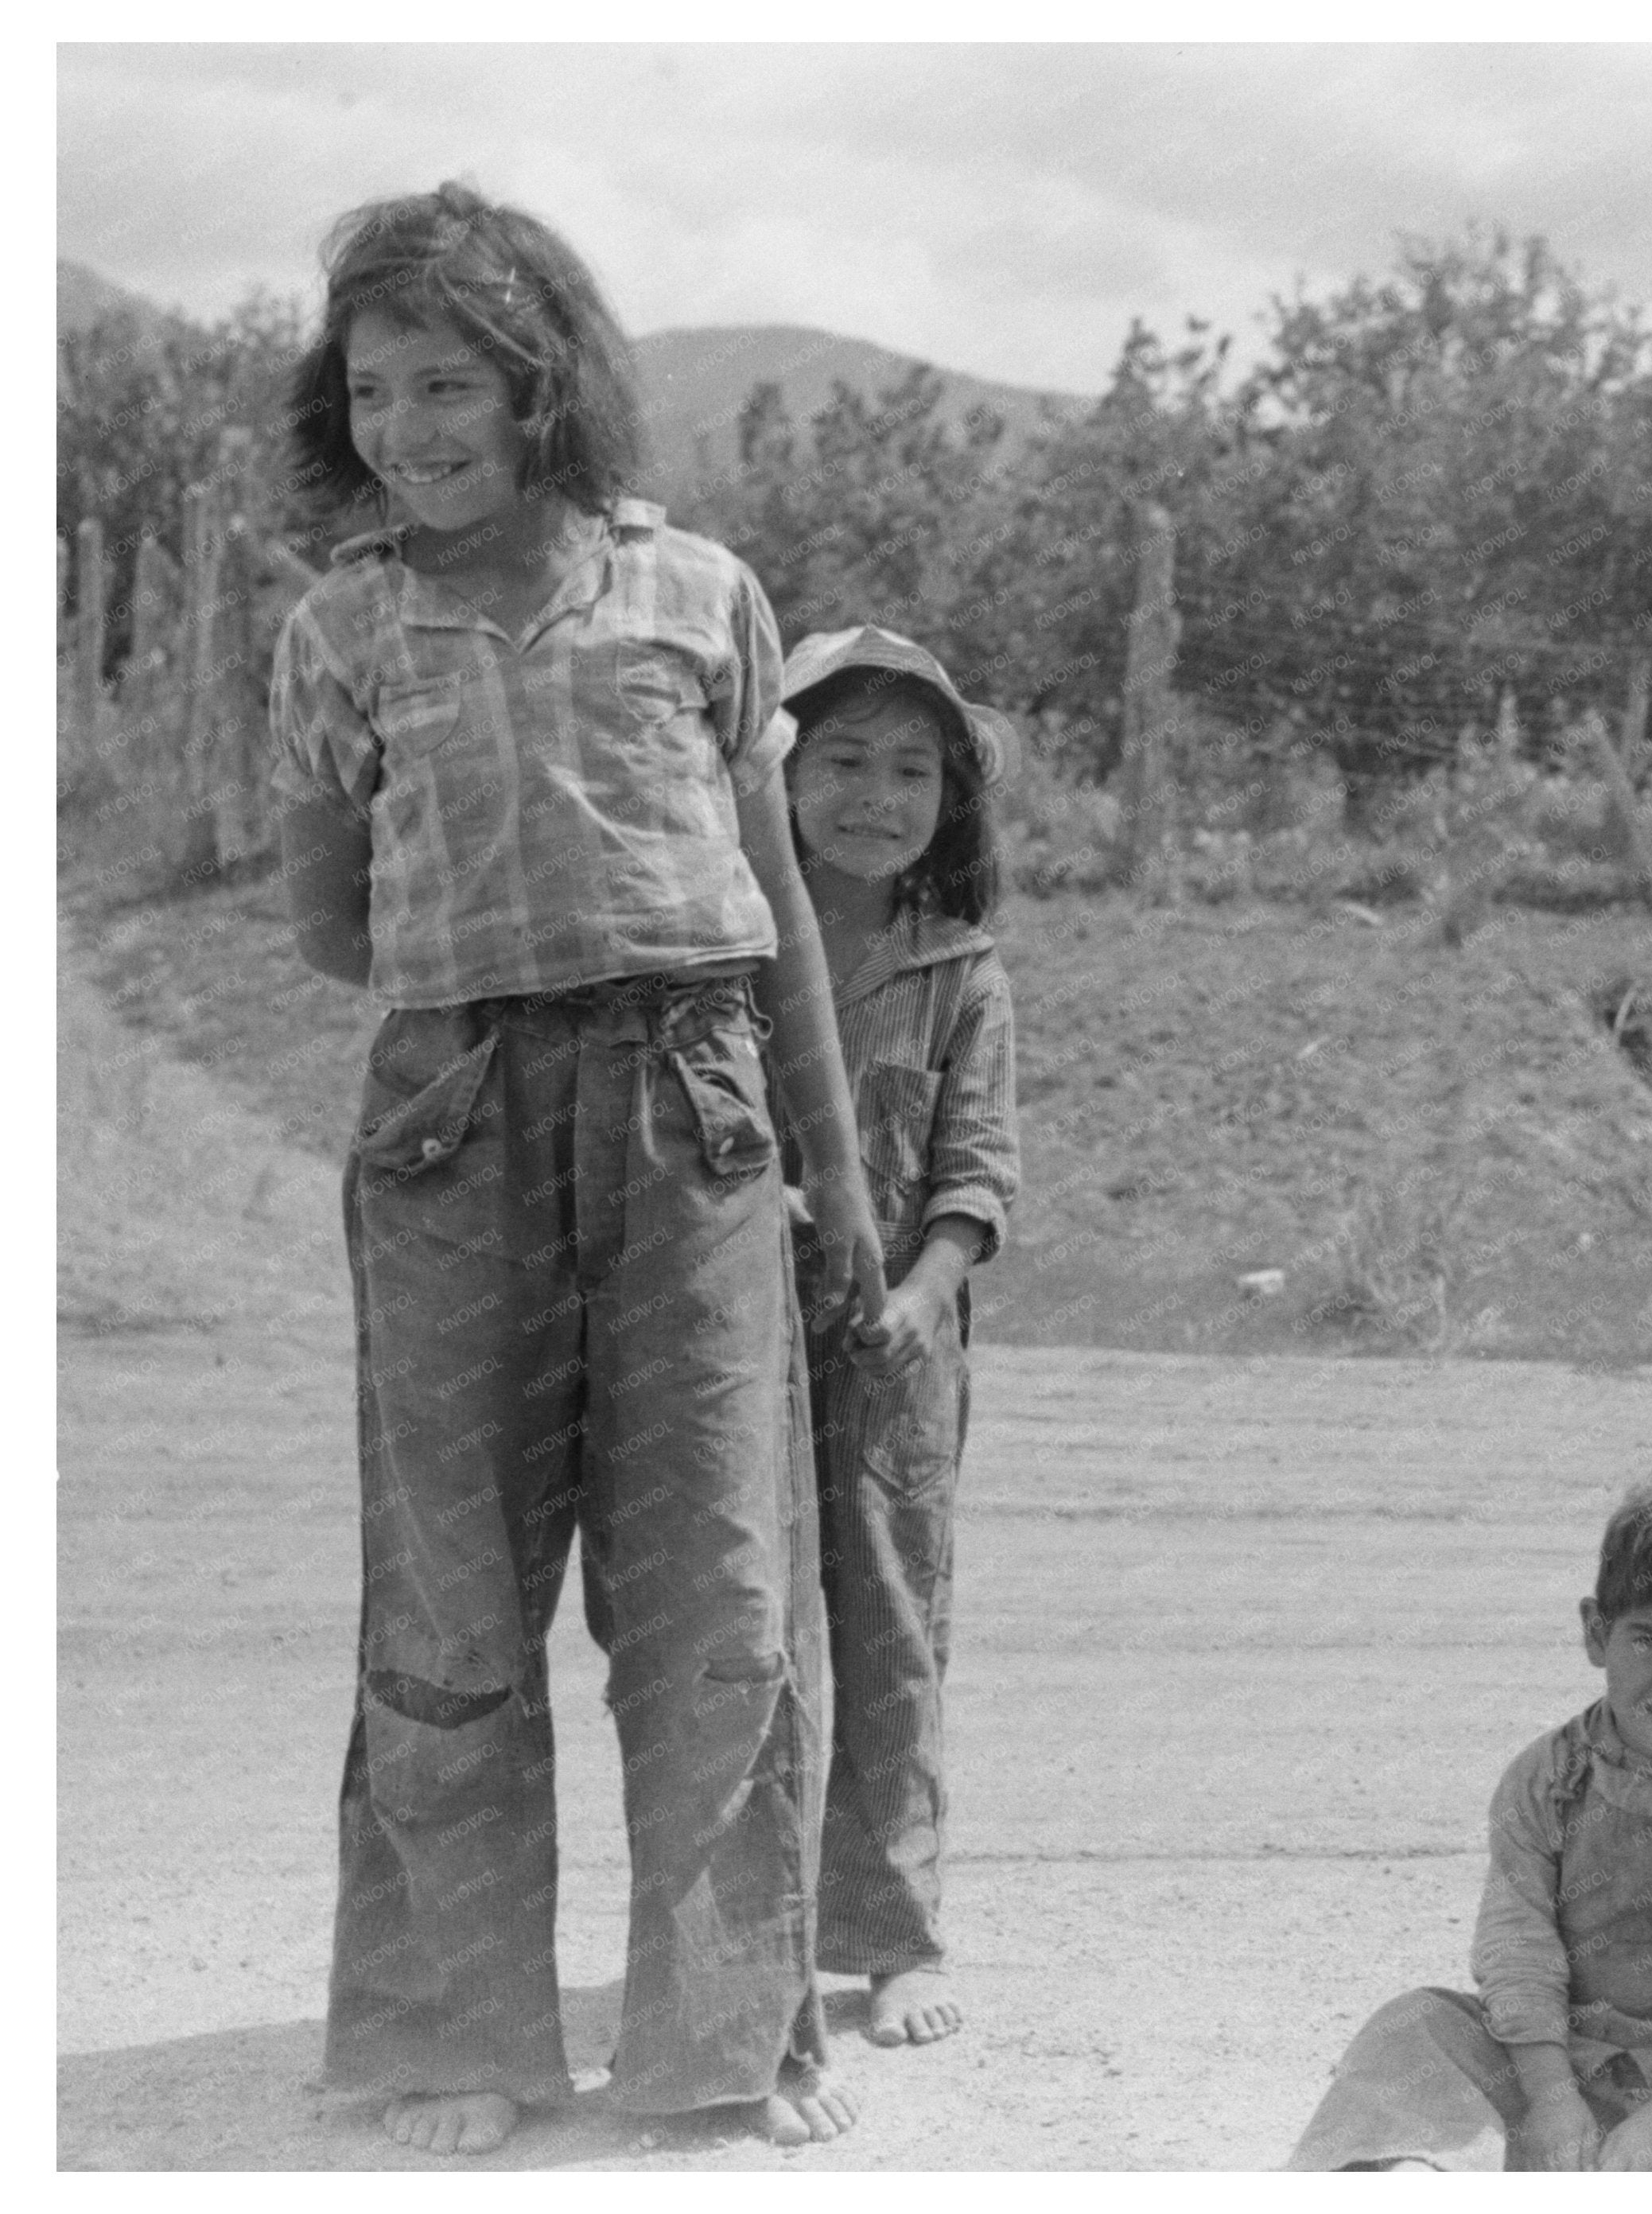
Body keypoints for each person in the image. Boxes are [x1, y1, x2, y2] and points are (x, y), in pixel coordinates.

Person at [269, 181, 883, 2154]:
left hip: (694, 1111)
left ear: (541, 386)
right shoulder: (342, 623)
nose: (409, 428)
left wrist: (843, 1185)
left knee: (715, 1578)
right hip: (448, 1118)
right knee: (450, 1588)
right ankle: (456, 2040)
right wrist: (501, 989)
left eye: (449, 381)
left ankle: (720, 2043)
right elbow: (329, 925)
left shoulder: (695, 593)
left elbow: (777, 899)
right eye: (371, 389)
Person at [1288, 1468, 1652, 2170]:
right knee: (1416, 2024)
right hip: (1554, 2056)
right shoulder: (1546, 1777)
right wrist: (1550, 2098)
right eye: (1649, 1639)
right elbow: (1518, 1946)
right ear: (1597, 1633)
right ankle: (1409, 2176)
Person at [777, 627, 1021, 2050]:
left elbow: (977, 1174)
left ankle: (891, 1939)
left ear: (951, 798)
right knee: (739, 1630)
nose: (878, 794)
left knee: (889, 1632)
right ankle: (741, 1939)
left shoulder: (962, 969)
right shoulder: (731, 939)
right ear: (778, 772)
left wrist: (924, 1291)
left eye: (912, 768)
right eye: (846, 759)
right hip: (730, 1342)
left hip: (895, 1364)